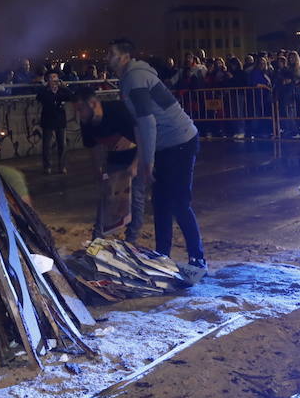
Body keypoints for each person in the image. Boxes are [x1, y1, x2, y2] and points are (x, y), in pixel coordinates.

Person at [106, 37, 206, 279]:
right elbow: (141, 126)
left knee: (179, 202)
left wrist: (147, 162)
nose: (106, 58)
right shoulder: (129, 78)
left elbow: (148, 122)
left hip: (180, 142)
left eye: (111, 54)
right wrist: (143, 158)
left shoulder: (134, 78)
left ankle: (198, 258)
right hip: (167, 145)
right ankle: (163, 255)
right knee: (161, 202)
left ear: (124, 57)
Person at [72, 84, 144, 243]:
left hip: (136, 155)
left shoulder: (118, 111)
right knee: (107, 196)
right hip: (115, 158)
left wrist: (134, 165)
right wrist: (98, 170)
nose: (79, 114)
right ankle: (98, 238)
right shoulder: (87, 123)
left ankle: (131, 239)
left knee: (135, 197)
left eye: (80, 109)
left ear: (92, 104)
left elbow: (143, 138)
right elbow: (94, 148)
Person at [34, 70, 73, 174]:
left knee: (62, 145)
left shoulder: (62, 90)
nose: (53, 80)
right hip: (48, 119)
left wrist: (64, 87)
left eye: (55, 77)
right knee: (46, 145)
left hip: (60, 119)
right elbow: (40, 98)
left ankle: (62, 166)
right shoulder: (44, 90)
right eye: (51, 77)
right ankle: (47, 167)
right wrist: (50, 90)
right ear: (48, 79)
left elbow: (71, 96)